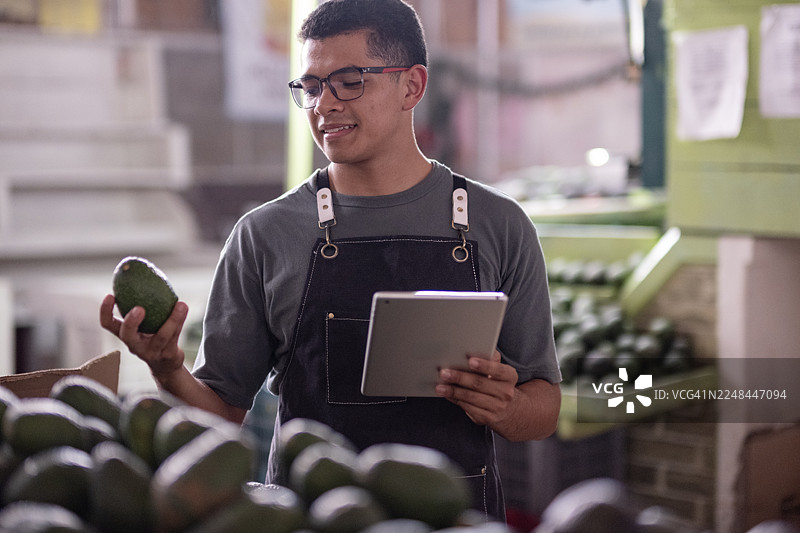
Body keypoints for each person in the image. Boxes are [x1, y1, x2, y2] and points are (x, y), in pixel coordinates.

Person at [100, 0, 561, 522]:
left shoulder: (498, 225)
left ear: (412, 85)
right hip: (310, 514)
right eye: (311, 87)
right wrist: (168, 369)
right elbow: (221, 414)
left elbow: (543, 409)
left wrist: (508, 407)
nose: (324, 105)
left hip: (453, 516)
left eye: (349, 81)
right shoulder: (264, 235)